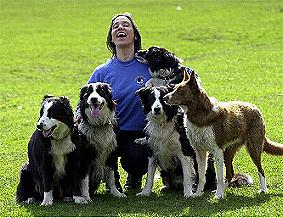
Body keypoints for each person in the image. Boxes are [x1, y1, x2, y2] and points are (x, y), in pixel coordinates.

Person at [83, 12, 151, 191]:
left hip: (136, 132)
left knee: (137, 159)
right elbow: (83, 103)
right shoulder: (102, 71)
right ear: (111, 38)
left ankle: (134, 176)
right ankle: (110, 180)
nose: (120, 28)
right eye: (116, 26)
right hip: (106, 129)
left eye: (126, 25)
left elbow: (176, 73)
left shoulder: (148, 66)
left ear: (134, 35)